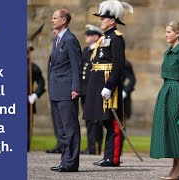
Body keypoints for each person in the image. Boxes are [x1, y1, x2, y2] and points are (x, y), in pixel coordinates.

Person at [83, 0, 133, 167]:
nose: (100, 21)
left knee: (113, 122)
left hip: (107, 84)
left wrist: (110, 86)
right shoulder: (104, 38)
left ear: (112, 21)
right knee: (105, 121)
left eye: (103, 18)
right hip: (98, 82)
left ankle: (113, 158)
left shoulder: (117, 38)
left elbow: (118, 66)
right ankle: (107, 156)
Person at [150, 21, 179, 179]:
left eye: (169, 31)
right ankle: (176, 167)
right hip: (167, 92)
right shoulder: (168, 51)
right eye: (166, 31)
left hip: (178, 94)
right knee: (170, 130)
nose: (166, 34)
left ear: (177, 34)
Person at [49, 9, 82, 172]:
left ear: (63, 20)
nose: (52, 20)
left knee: (70, 127)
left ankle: (71, 162)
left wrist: (76, 87)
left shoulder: (70, 39)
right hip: (56, 89)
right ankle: (65, 160)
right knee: (61, 129)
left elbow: (77, 65)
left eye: (55, 18)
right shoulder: (57, 39)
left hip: (67, 90)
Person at [80, 24, 104, 155]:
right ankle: (90, 146)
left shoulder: (99, 50)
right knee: (88, 120)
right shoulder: (86, 51)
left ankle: (96, 146)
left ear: (95, 37)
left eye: (88, 35)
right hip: (85, 91)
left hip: (94, 91)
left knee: (96, 121)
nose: (86, 36)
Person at [46, 29, 65, 154]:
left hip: (62, 88)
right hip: (53, 88)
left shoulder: (66, 45)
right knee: (56, 119)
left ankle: (64, 145)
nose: (54, 32)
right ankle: (60, 143)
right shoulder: (55, 47)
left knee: (63, 120)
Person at [27, 47, 46, 152]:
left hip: (27, 100)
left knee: (26, 125)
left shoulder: (32, 67)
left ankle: (25, 146)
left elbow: (41, 83)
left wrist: (35, 95)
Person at [120, 59, 136, 153]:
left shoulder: (125, 63)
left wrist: (125, 91)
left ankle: (118, 150)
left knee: (121, 124)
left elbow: (132, 79)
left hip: (121, 98)